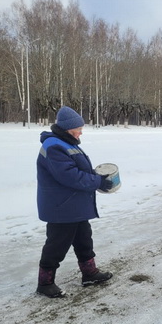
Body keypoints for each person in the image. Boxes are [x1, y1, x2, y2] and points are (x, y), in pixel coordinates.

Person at [36, 106, 114, 298]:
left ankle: (89, 273)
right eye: (78, 128)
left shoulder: (67, 142)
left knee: (83, 240)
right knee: (57, 244)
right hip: (61, 207)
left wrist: (95, 175)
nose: (81, 132)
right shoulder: (54, 146)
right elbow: (70, 176)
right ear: (67, 128)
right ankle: (45, 283)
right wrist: (97, 181)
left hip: (74, 205)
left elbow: (77, 170)